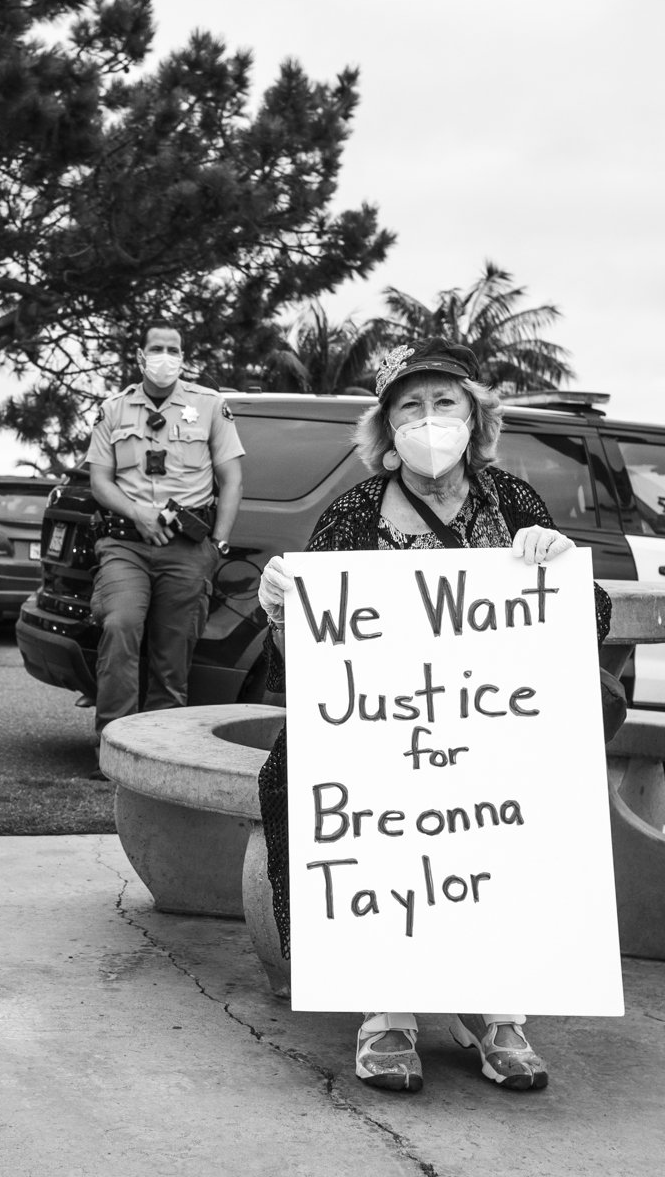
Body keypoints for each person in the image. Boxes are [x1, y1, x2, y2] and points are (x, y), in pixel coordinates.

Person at [254, 338, 619, 1095]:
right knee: (303, 781)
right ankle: (386, 1010)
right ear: (386, 428)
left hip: (492, 731)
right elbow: (309, 662)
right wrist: (284, 610)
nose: (429, 419)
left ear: (475, 416)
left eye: (444, 402)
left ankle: (498, 1010)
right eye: (409, 406)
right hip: (382, 736)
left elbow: (579, 622)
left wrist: (554, 562)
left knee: (521, 815)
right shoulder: (351, 514)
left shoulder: (513, 504)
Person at [84, 323, 244, 769]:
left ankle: (158, 759)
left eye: (174, 349)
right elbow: (100, 480)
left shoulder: (209, 405)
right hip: (126, 545)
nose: (165, 356)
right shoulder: (113, 409)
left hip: (187, 548)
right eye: (157, 348)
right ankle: (113, 751)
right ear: (140, 356)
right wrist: (138, 513)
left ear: (183, 357)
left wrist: (218, 544)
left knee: (172, 656)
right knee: (120, 626)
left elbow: (232, 479)